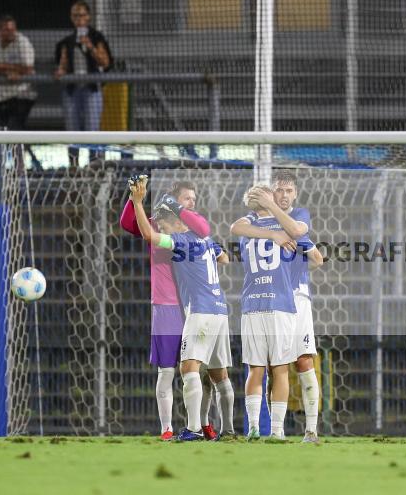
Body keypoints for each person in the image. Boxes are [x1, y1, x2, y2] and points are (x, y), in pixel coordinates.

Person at [128, 178, 232, 442]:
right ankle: (221, 430)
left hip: (199, 309)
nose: (160, 224)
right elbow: (225, 258)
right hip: (205, 308)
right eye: (188, 198)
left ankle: (196, 427)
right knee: (208, 372)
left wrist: (141, 202)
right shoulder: (204, 239)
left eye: (164, 221)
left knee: (191, 368)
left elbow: (153, 235)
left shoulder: (184, 238)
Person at [231, 171, 322, 443]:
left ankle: (311, 429)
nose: (283, 195)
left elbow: (310, 250)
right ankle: (274, 429)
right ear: (271, 193)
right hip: (276, 298)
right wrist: (275, 236)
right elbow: (238, 227)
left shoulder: (299, 216)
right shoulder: (259, 223)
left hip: (293, 295)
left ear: (294, 194)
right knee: (274, 367)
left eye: (288, 191)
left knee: (303, 360)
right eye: (278, 190)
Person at [54, 0, 112, 132]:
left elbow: (105, 62)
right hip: (72, 89)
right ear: (71, 18)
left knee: (92, 127)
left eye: (81, 15)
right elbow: (63, 64)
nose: (78, 19)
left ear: (88, 16)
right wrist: (60, 71)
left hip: (91, 88)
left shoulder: (97, 37)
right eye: (75, 16)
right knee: (72, 128)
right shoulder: (67, 41)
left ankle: (94, 153)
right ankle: (74, 152)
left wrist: (90, 46)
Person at [0, 15, 36, 130]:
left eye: (13, 29)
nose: (12, 33)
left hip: (22, 94)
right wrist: (7, 70)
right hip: (0, 95)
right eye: (7, 30)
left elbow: (28, 68)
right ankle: (21, 147)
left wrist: (1, 66)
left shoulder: (23, 42)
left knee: (14, 128)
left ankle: (20, 147)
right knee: (5, 129)